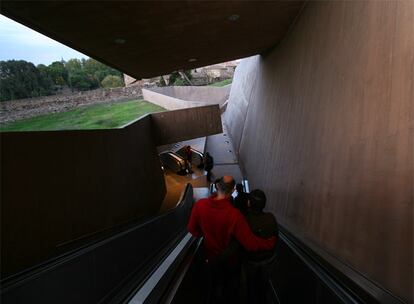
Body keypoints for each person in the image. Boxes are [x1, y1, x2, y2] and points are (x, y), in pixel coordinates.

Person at [187, 176, 276, 304]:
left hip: (211, 258)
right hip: (230, 262)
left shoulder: (200, 206)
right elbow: (250, 243)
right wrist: (269, 243)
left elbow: (192, 230)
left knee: (214, 285)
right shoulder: (235, 216)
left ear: (217, 186)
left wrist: (206, 232)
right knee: (230, 289)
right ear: (233, 190)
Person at [243, 189, 279, 304]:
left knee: (250, 287)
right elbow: (275, 236)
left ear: (249, 203)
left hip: (250, 262)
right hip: (268, 261)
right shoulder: (270, 218)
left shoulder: (245, 220)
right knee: (264, 287)